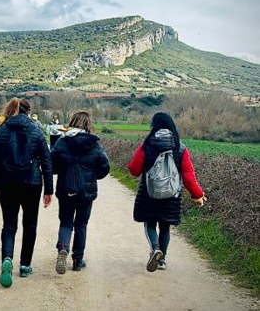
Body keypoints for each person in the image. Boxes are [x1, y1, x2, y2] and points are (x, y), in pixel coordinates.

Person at [128, 112, 206, 272]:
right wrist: (197, 195)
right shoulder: (180, 147)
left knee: (150, 224)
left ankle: (155, 248)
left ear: (154, 126)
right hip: (171, 195)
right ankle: (162, 260)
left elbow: (134, 170)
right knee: (165, 227)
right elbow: (189, 177)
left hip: (149, 194)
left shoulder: (147, 145)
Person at [0, 98, 53, 288]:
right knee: (30, 223)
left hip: (7, 183)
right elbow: (47, 161)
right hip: (32, 183)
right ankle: (25, 265)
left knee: (9, 225)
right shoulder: (36, 130)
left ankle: (7, 259)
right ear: (28, 111)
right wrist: (49, 189)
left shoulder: (3, 130)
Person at [51, 111, 110, 274]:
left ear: (72, 122)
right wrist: (92, 177)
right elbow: (105, 167)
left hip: (66, 189)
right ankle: (77, 260)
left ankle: (63, 247)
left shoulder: (62, 143)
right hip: (86, 191)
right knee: (81, 224)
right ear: (88, 124)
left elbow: (52, 165)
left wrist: (63, 171)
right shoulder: (95, 143)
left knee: (66, 222)